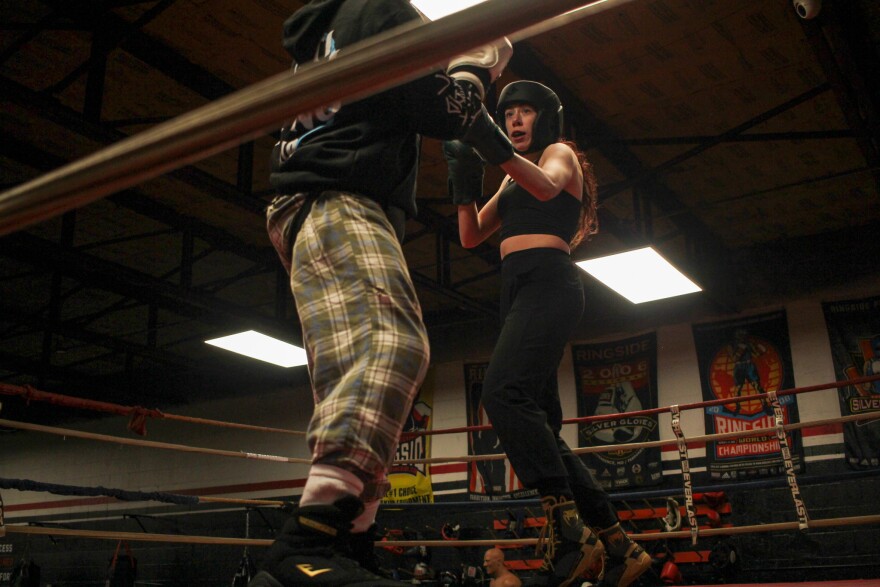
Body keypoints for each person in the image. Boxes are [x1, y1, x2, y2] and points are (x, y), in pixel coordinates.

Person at [254, 0, 512, 585]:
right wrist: (476, 63)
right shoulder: (377, 6)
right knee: (392, 345)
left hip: (315, 194)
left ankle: (352, 539)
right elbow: (443, 108)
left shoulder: (336, 24)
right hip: (333, 191)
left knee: (355, 374)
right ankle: (310, 537)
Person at [444, 81, 651, 587]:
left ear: (546, 119)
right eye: (507, 114)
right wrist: (464, 184)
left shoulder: (559, 155)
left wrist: (484, 138)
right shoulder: (511, 179)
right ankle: (620, 547)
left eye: (524, 113)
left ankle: (567, 528)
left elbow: (548, 187)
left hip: (550, 283)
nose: (515, 121)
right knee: (540, 425)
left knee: (502, 393)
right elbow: (471, 234)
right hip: (516, 290)